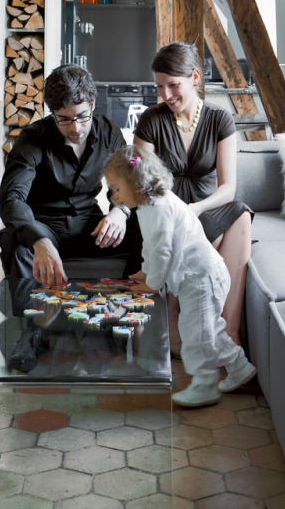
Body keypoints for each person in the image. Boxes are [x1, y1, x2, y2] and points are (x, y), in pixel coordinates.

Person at [104, 145, 257, 407]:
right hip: (194, 279)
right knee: (209, 331)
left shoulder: (160, 207)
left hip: (202, 278)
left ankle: (204, 386)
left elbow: (163, 251)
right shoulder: (146, 207)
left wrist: (152, 284)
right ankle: (241, 368)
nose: (114, 196)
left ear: (136, 183)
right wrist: (146, 271)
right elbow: (150, 245)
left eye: (117, 189)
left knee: (197, 337)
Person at [133, 42, 252, 346]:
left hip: (205, 213)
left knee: (240, 213)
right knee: (182, 233)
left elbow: (227, 188)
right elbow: (142, 184)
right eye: (159, 86)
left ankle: (229, 331)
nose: (166, 94)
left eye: (173, 85)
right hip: (166, 217)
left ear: (195, 77)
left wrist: (196, 209)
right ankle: (175, 320)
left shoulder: (220, 118)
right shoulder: (151, 120)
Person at [0, 64, 141, 287]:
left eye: (83, 116)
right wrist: (39, 240)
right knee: (15, 243)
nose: (76, 128)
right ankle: (26, 309)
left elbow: (128, 181)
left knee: (145, 227)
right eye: (64, 119)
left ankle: (130, 301)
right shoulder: (32, 138)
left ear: (92, 104)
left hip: (90, 226)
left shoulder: (109, 132)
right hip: (44, 225)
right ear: (52, 112)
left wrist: (120, 212)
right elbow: (11, 199)